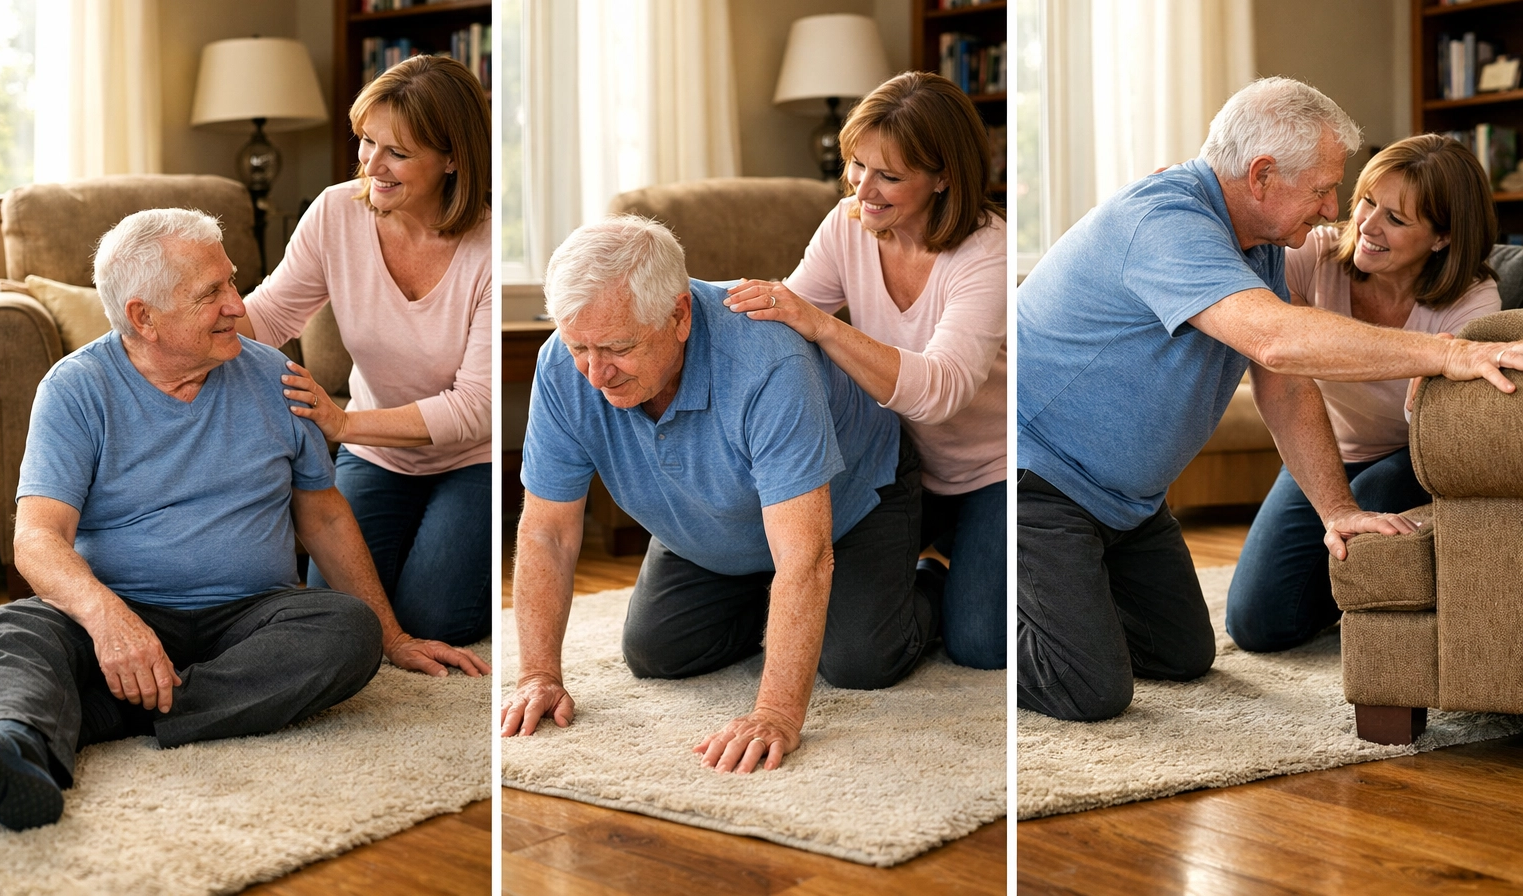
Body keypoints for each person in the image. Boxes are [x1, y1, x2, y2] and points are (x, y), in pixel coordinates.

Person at [1017, 76, 1523, 723]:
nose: (1332, 209)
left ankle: (1044, 593)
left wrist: (1337, 510)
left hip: (1128, 505)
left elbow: (1281, 383)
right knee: (1089, 689)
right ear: (1260, 177)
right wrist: (1451, 354)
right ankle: (983, 596)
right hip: (1044, 480)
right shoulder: (1167, 222)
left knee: (1182, 655)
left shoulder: (1254, 244)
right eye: (1323, 189)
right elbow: (1278, 343)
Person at [0, 209, 488, 831]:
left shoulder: (277, 377)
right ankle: (17, 751)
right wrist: (107, 617)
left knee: (346, 630)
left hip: (252, 618)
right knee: (15, 630)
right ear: (143, 316)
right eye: (212, 293)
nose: (237, 305)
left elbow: (325, 517)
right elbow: (36, 538)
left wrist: (392, 636)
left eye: (232, 282)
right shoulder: (76, 389)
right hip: (123, 608)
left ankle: (116, 710)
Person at [501, 216, 941, 773]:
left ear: (679, 316)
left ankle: (925, 580)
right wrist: (538, 674)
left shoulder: (766, 361)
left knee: (859, 659)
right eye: (578, 347)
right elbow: (547, 530)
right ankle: (770, 593)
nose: (595, 374)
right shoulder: (562, 366)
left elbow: (805, 556)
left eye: (616, 348)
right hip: (710, 515)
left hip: (850, 506)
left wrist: (776, 714)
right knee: (656, 653)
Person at [725, 71, 1006, 671]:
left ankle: (933, 581)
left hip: (995, 470)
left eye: (890, 176)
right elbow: (782, 327)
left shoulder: (987, 251)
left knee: (982, 644)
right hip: (895, 465)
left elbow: (941, 391)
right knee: (842, 633)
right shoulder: (847, 224)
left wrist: (824, 325)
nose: (863, 188)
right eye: (857, 164)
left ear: (944, 177)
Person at [238, 54, 492, 647]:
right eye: (366, 142)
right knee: (336, 616)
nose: (370, 166)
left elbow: (476, 406)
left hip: (469, 461)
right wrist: (193, 324)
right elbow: (272, 313)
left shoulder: (486, 250)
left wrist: (344, 421)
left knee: (433, 620)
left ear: (453, 158)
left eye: (397, 152)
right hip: (378, 456)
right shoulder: (336, 212)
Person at [1227, 135, 1502, 651]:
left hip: (1411, 459)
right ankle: (1347, 585)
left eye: (1396, 219)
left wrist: (1439, 370)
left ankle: (1370, 598)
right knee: (1257, 627)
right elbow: (1235, 266)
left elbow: (1451, 414)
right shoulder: (1316, 256)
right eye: (1368, 202)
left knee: (1374, 496)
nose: (1368, 226)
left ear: (1441, 238)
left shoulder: (1473, 300)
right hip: (1326, 451)